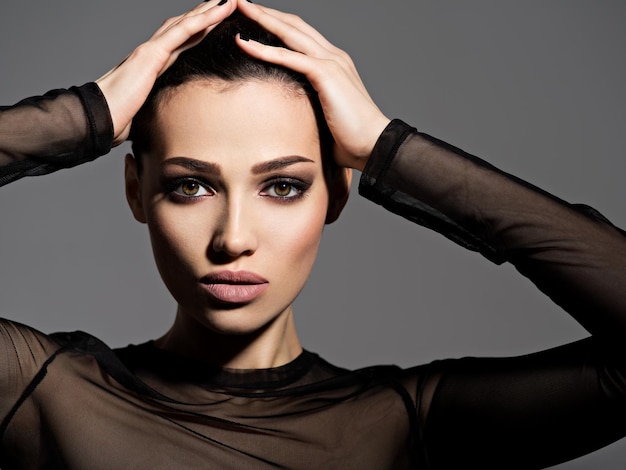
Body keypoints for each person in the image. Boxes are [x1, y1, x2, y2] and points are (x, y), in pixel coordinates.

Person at [1, 0, 625, 468]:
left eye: (282, 186)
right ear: (137, 191)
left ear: (338, 191)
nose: (233, 238)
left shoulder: (403, 426)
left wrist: (387, 149)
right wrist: (85, 115)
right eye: (191, 185)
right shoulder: (41, 390)